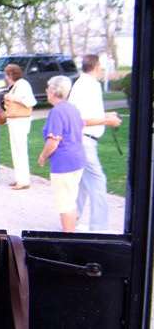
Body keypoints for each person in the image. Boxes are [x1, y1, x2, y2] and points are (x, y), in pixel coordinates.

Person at [68, 54, 122, 232]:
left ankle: (71, 222)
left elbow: (86, 115)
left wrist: (106, 116)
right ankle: (99, 228)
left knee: (83, 184)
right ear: (97, 66)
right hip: (85, 141)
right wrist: (108, 121)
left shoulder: (84, 84)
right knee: (98, 182)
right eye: (101, 66)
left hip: (82, 141)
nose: (103, 70)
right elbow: (80, 119)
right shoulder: (88, 85)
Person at [37, 76, 86, 232]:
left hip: (64, 163)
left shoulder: (56, 112)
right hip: (77, 160)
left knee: (65, 203)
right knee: (70, 200)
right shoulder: (73, 108)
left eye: (47, 88)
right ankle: (71, 230)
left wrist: (43, 156)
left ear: (53, 91)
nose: (46, 91)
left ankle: (69, 238)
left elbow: (53, 142)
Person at [4, 64, 37, 190]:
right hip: (15, 121)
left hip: (20, 121)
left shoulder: (23, 84)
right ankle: (19, 178)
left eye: (7, 74)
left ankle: (23, 180)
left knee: (21, 151)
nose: (6, 77)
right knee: (16, 151)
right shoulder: (16, 85)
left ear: (11, 74)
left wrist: (11, 97)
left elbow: (30, 101)